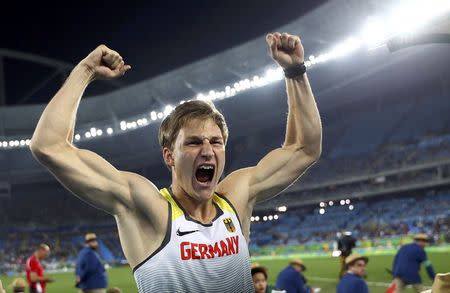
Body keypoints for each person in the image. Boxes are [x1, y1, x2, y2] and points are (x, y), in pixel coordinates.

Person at [30, 32, 322, 292]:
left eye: (215, 142)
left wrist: (295, 71)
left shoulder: (236, 196)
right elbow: (49, 146)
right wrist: (86, 70)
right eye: (194, 142)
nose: (207, 150)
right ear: (169, 156)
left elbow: (304, 149)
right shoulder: (147, 208)